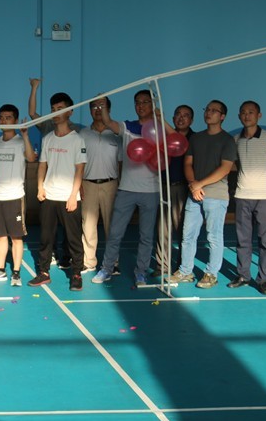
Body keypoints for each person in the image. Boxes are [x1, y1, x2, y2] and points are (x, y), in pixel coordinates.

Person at [93, 90, 172, 287]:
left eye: (145, 102)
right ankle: (107, 268)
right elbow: (108, 121)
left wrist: (161, 119)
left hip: (151, 191)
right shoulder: (128, 126)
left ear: (152, 105)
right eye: (138, 102)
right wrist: (102, 103)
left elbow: (175, 139)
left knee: (146, 236)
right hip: (126, 189)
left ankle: (141, 273)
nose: (141, 106)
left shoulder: (159, 128)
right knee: (115, 233)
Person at [170, 100, 237, 289]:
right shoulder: (196, 138)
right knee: (188, 235)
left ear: (222, 116)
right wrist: (194, 185)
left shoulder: (227, 140)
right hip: (195, 194)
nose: (209, 112)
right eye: (207, 109)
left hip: (216, 195)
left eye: (214, 110)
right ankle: (185, 271)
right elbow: (188, 163)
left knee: (213, 236)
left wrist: (200, 184)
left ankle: (211, 274)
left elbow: (225, 168)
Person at [32, 93, 86, 291]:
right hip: (49, 196)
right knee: (46, 237)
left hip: (69, 197)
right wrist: (40, 187)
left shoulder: (77, 140)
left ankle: (76, 274)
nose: (55, 113)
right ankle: (44, 272)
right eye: (53, 110)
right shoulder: (47, 139)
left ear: (70, 112)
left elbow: (80, 170)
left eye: (60, 109)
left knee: (73, 238)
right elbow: (42, 166)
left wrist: (73, 196)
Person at [229, 100, 266, 296]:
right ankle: (243, 276)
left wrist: (263, 182)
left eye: (251, 112)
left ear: (259, 115)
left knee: (265, 241)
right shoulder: (235, 140)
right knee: (243, 240)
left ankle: (263, 279)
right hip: (242, 195)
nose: (247, 115)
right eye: (243, 112)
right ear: (239, 116)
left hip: (265, 196)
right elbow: (233, 165)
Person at [0, 104, 37, 285]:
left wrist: (26, 136)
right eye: (1, 117)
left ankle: (16, 273)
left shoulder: (21, 142)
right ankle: (0, 270)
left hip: (14, 197)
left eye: (8, 117)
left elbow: (31, 158)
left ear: (15, 120)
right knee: (0, 236)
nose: (4, 121)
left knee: (16, 237)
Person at [79, 95, 121, 274]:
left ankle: (113, 263)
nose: (98, 110)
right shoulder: (83, 134)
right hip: (87, 185)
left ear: (108, 110)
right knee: (88, 226)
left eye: (101, 106)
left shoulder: (116, 134)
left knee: (112, 227)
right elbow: (78, 162)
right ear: (90, 110)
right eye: (94, 107)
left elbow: (121, 162)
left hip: (111, 185)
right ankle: (88, 262)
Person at [152, 104, 194, 276]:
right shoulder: (163, 137)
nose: (181, 118)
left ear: (191, 120)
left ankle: (182, 267)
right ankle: (162, 266)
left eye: (185, 115)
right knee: (162, 230)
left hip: (184, 189)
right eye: (178, 114)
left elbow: (179, 141)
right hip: (163, 187)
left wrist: (160, 119)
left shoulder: (195, 138)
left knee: (184, 230)